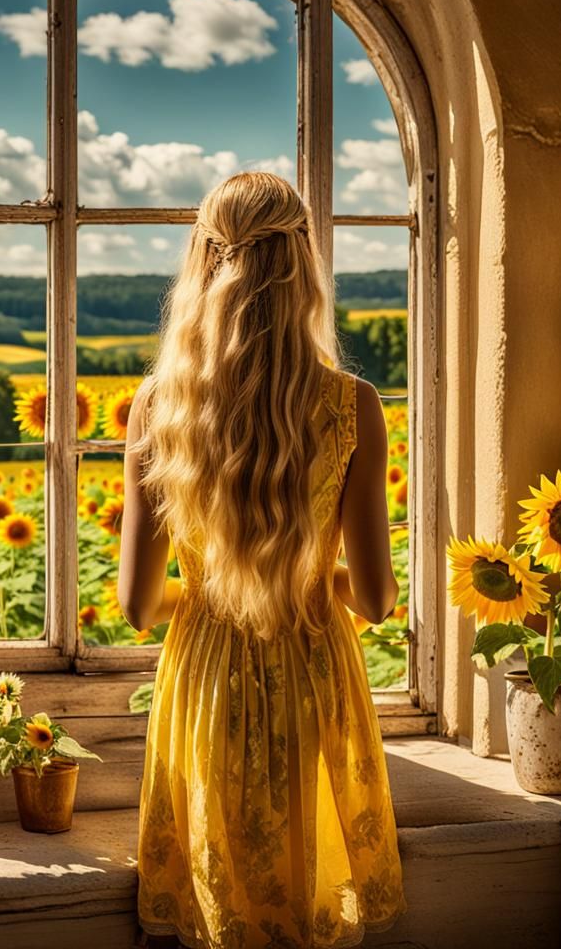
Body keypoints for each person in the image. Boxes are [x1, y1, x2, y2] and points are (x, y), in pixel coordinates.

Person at [117, 171, 407, 949]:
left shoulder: (157, 409)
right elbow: (377, 600)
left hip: (205, 683)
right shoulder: (354, 408)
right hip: (315, 676)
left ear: (204, 260)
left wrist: (213, 595)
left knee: (220, 901)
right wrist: (306, 582)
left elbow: (139, 607)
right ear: (303, 264)